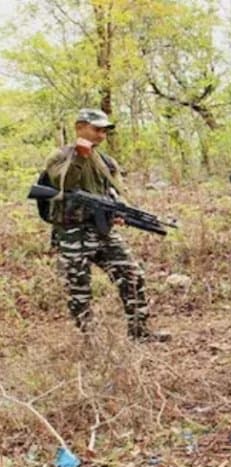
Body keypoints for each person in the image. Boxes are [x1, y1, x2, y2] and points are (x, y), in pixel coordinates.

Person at [43, 109, 169, 342]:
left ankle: (139, 332)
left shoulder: (106, 161)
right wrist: (80, 156)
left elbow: (114, 192)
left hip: (103, 231)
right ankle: (90, 341)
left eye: (104, 131)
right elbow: (65, 184)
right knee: (79, 289)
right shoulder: (59, 156)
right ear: (80, 127)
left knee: (132, 275)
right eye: (96, 129)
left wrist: (119, 211)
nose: (101, 135)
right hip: (72, 233)